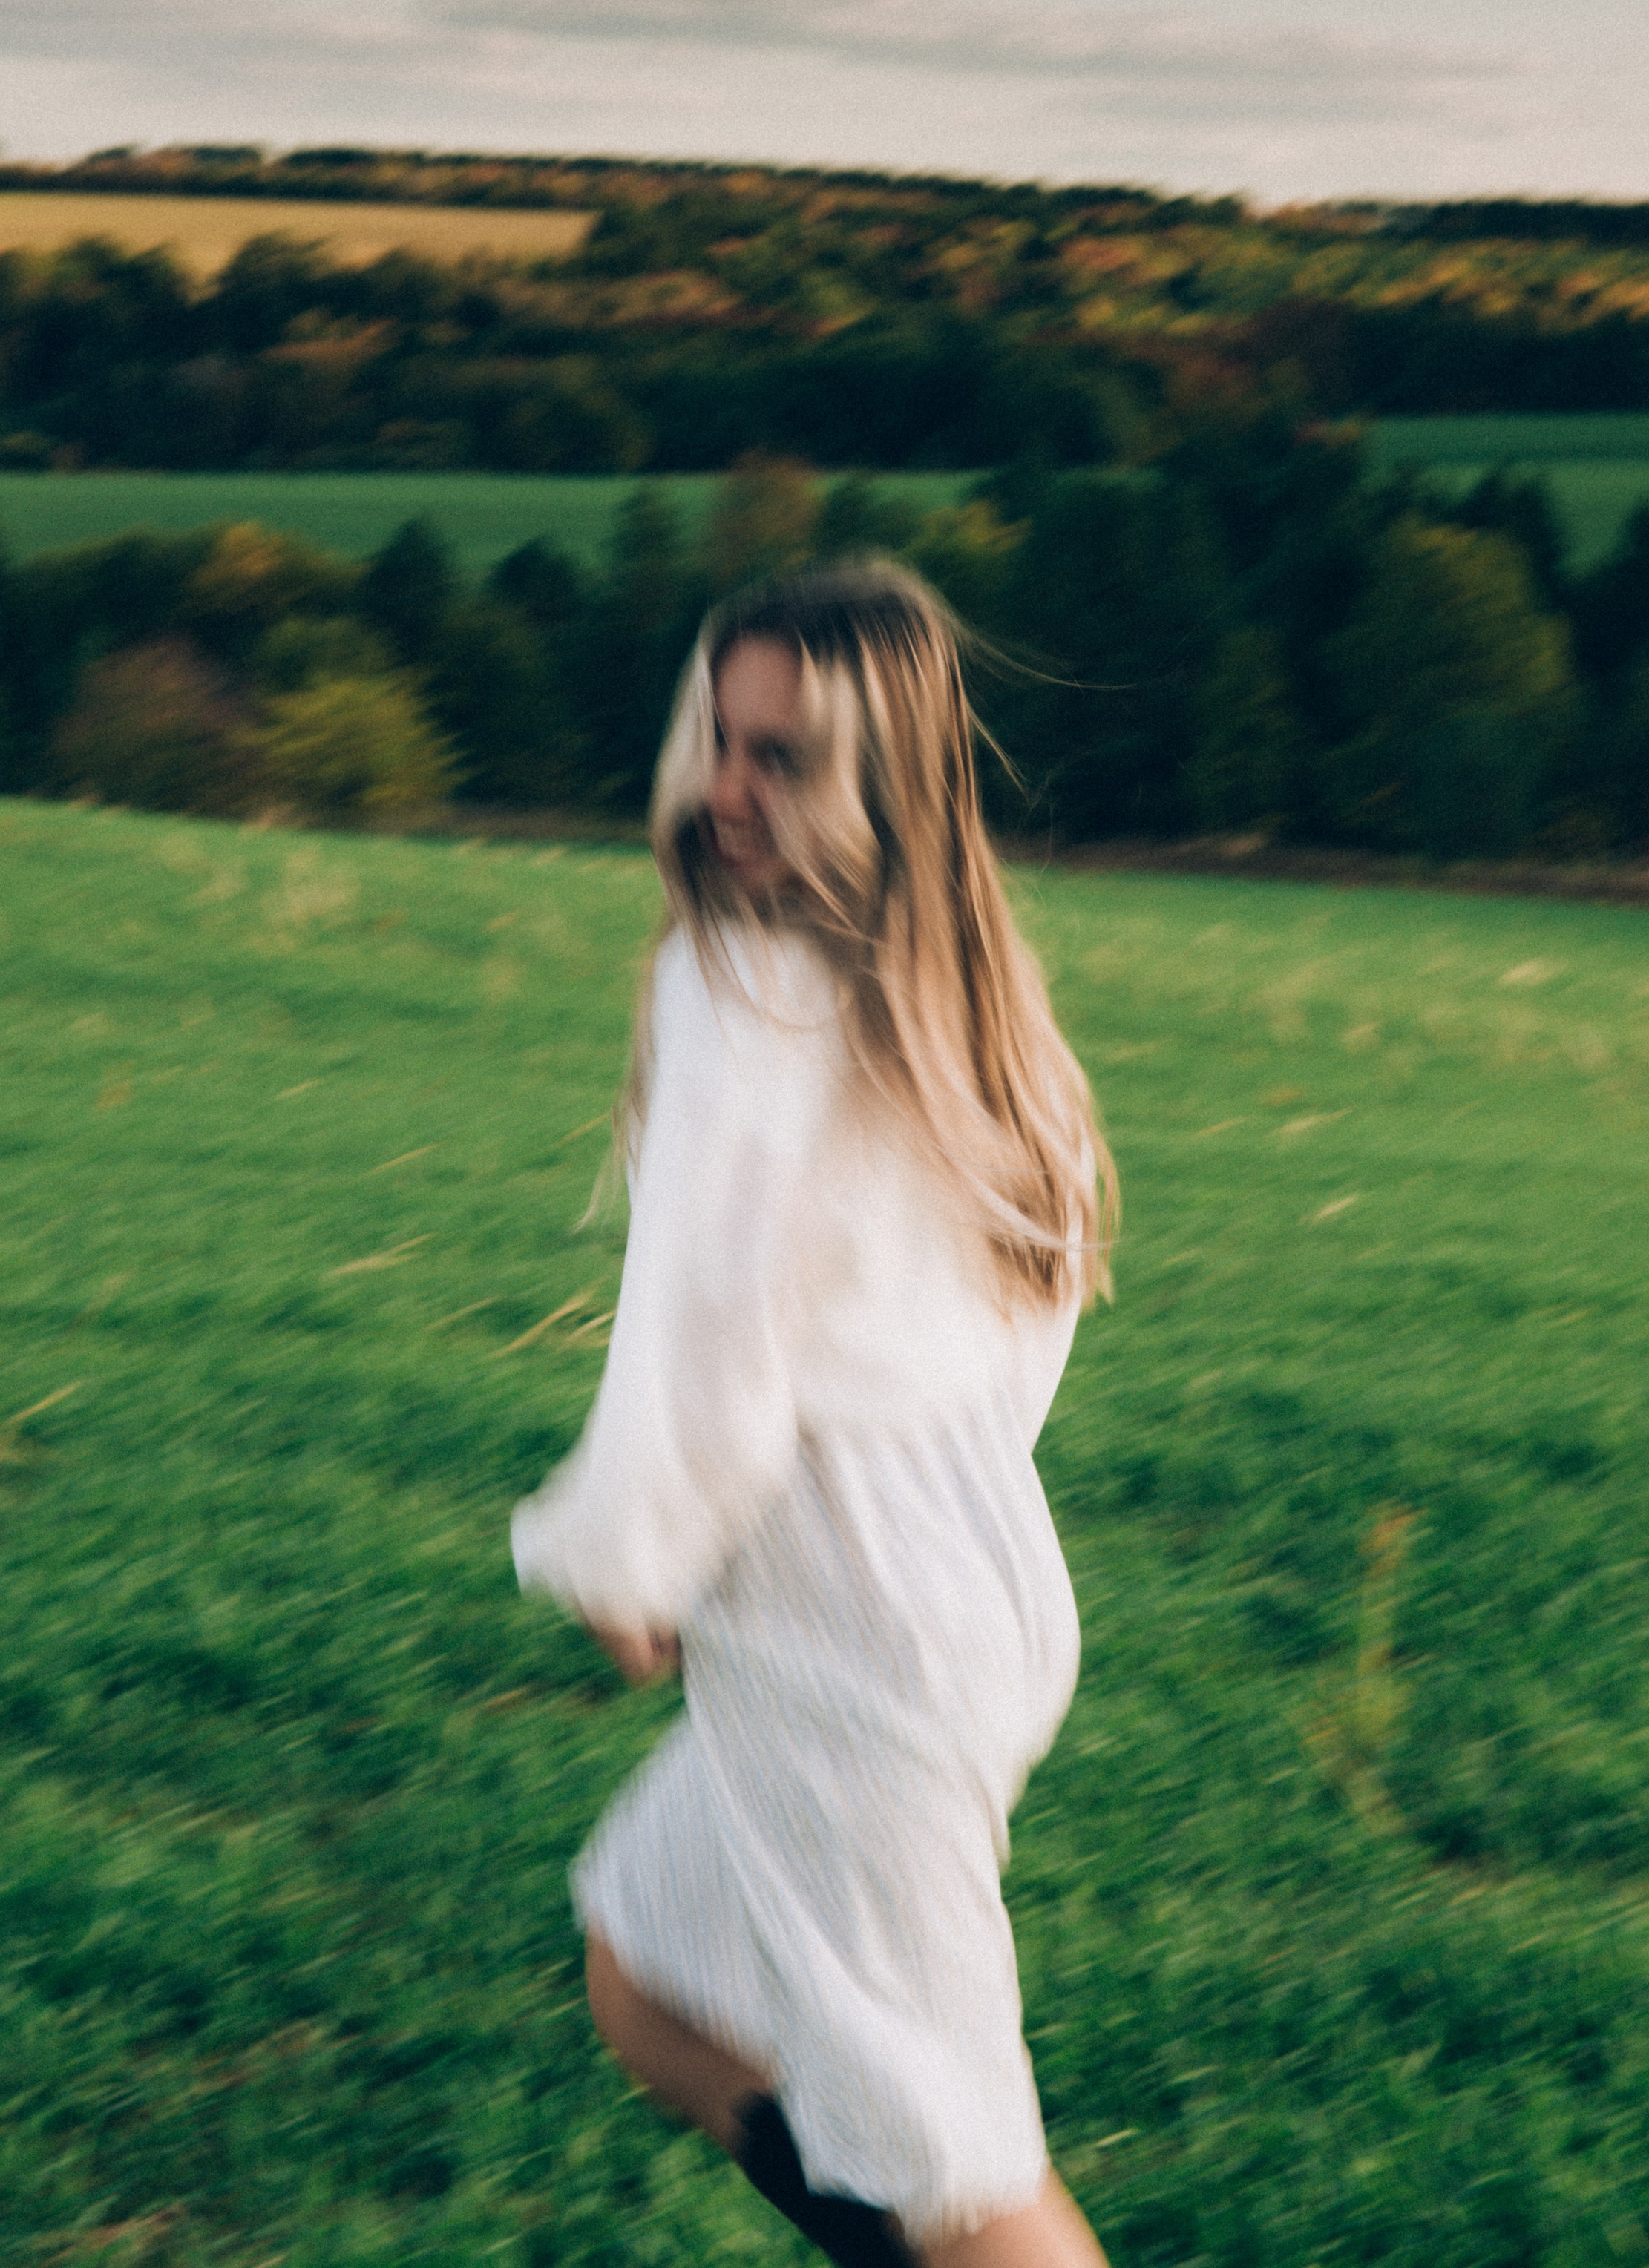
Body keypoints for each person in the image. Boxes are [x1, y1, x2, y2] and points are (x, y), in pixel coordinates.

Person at [511, 559, 1118, 2268]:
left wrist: (626, 1561)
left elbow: (701, 1335)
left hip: (846, 1626)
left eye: (780, 758)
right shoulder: (973, 1008)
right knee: (649, 1971)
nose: (724, 792)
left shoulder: (742, 982)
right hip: (967, 1588)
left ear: (881, 781)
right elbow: (1031, 1311)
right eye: (719, 737)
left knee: (959, 2175)